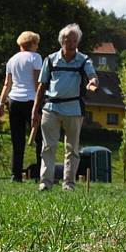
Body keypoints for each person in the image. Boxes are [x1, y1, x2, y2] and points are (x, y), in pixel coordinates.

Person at [32, 23, 98, 191]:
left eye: (75, 41)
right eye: (68, 40)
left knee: (72, 149)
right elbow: (42, 86)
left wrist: (93, 82)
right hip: (51, 108)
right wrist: (35, 110)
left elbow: (93, 76)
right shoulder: (50, 59)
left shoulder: (84, 60)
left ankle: (68, 184)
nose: (71, 44)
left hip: (74, 109)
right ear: (62, 41)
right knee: (48, 147)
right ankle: (45, 183)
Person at [0, 31, 43, 182]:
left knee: (17, 140)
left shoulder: (12, 60)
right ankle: (40, 174)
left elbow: (7, 84)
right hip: (31, 101)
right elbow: (37, 82)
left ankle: (16, 174)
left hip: (14, 101)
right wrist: (40, 102)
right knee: (41, 139)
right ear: (33, 44)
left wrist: (0, 103)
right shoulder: (36, 58)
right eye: (37, 44)